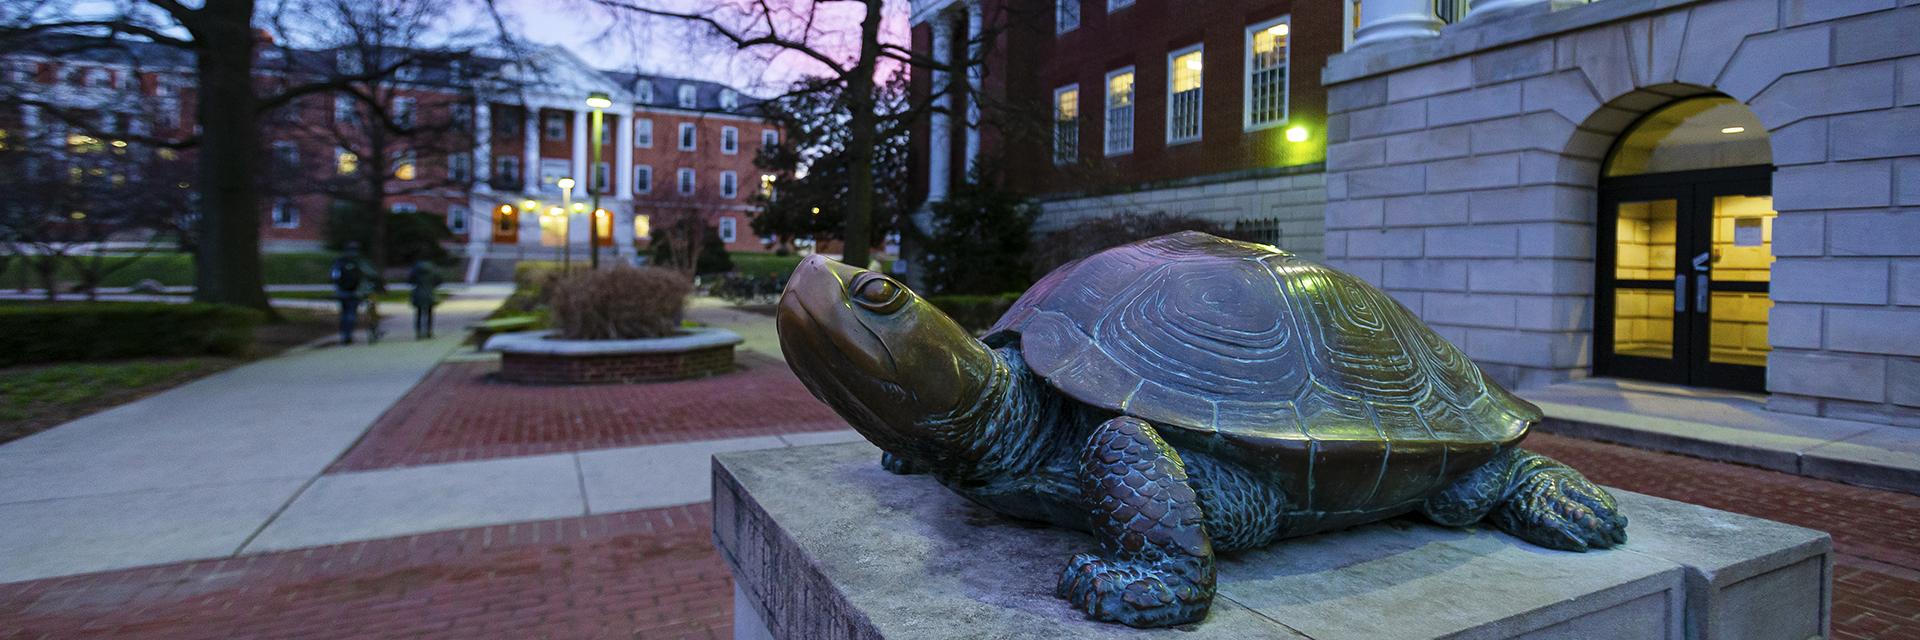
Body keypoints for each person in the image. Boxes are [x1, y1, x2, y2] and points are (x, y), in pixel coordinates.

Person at [329, 242, 373, 345]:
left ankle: (344, 335)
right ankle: (348, 335)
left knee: (344, 313)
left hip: (342, 291)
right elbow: (369, 274)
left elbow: (333, 275)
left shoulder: (340, 261)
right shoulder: (359, 261)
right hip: (355, 292)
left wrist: (338, 286)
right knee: (351, 313)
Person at [406, 259, 443, 339]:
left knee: (418, 314)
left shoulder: (415, 271)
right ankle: (429, 332)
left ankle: (418, 333)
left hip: (418, 294)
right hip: (430, 294)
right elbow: (439, 281)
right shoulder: (433, 271)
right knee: (430, 314)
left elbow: (409, 281)